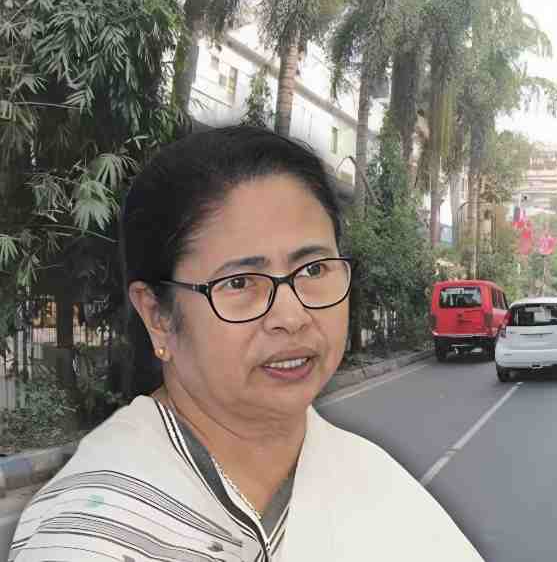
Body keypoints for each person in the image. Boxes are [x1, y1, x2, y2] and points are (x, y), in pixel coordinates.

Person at [8, 127, 482, 561]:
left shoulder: (372, 480)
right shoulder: (97, 536)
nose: (292, 317)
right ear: (158, 316)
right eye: (238, 283)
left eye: (314, 270)